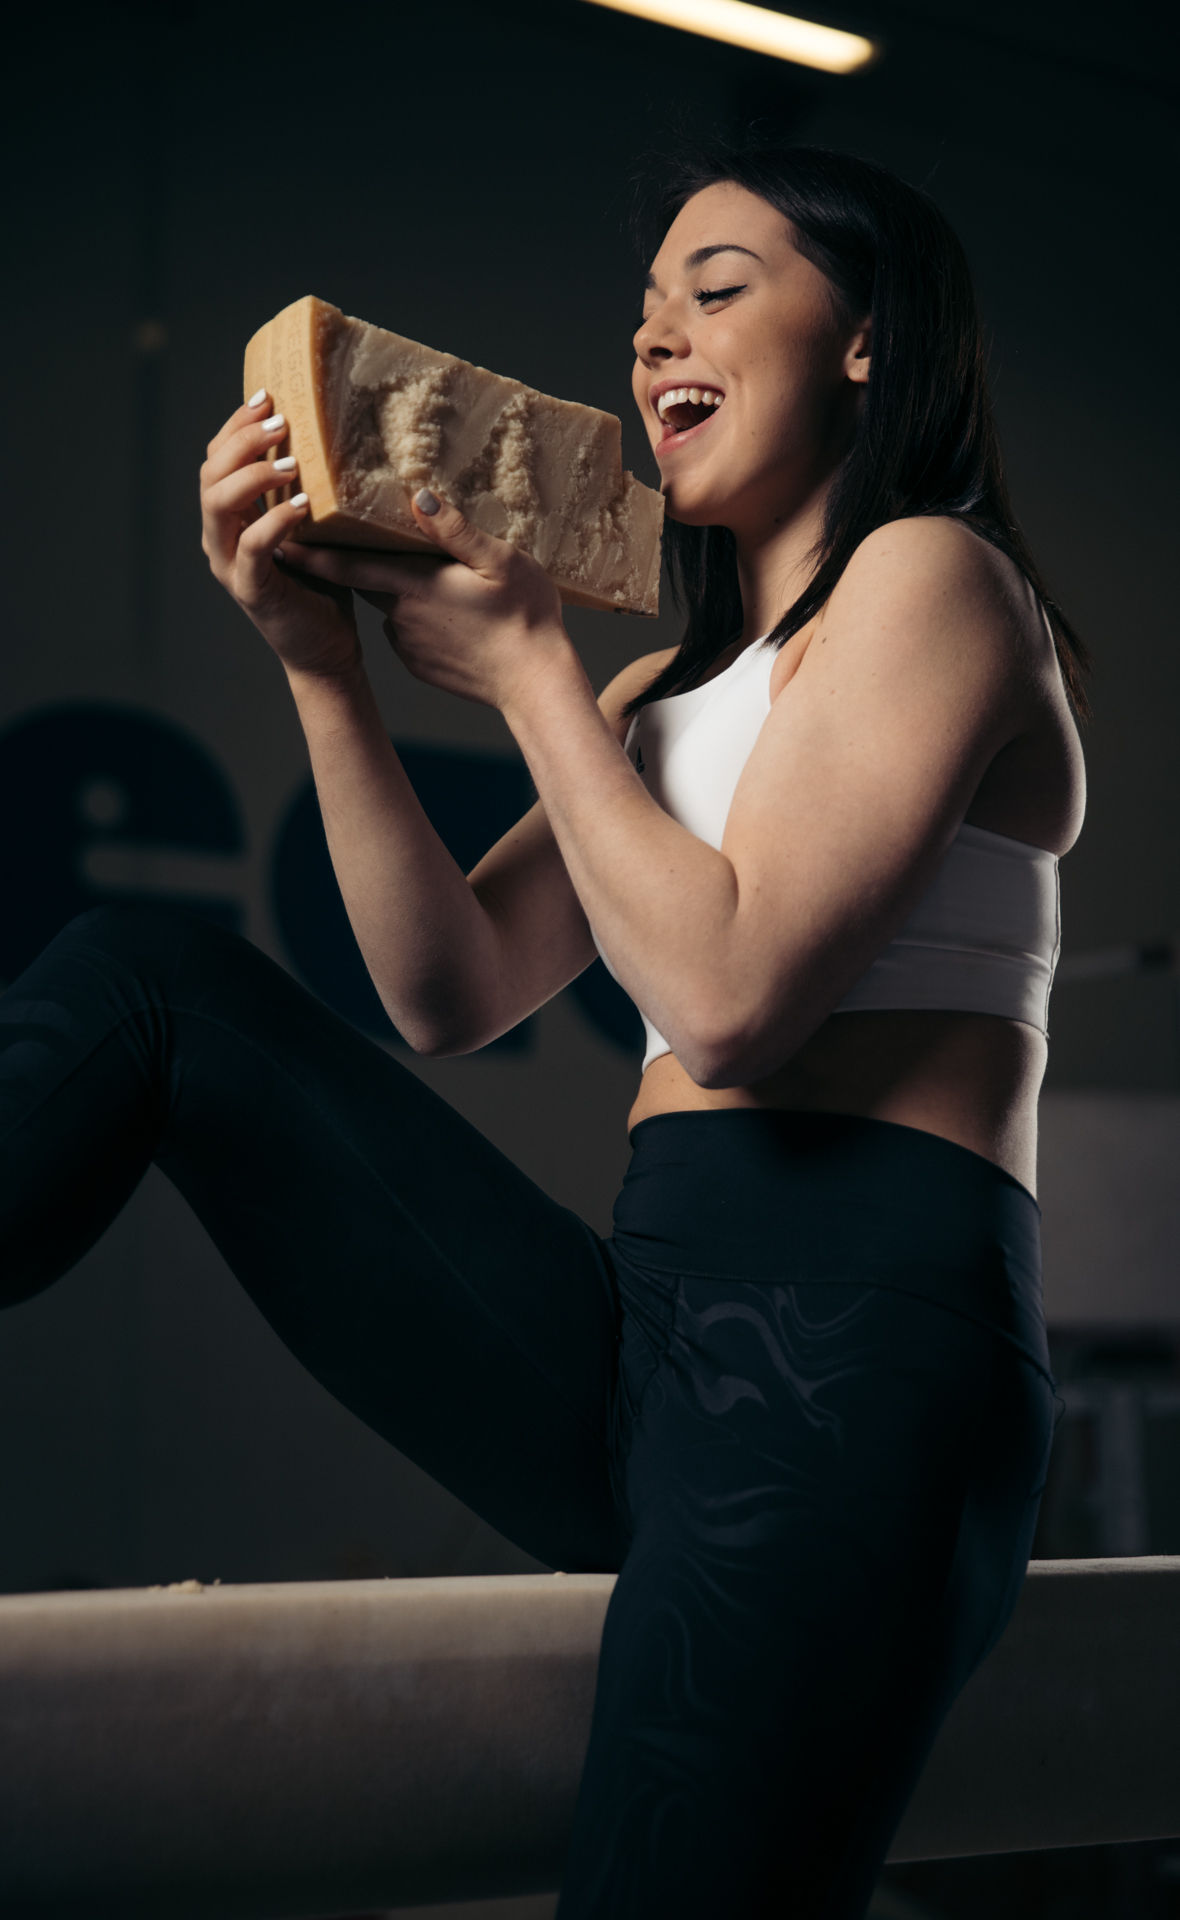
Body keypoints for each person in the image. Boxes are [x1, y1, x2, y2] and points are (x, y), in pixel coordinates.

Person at [0, 144, 1086, 1916]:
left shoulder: (934, 583)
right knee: (150, 989)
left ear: (872, 341)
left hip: (856, 1370)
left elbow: (730, 1005)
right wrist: (319, 664)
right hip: (640, 1339)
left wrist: (523, 680)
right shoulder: (661, 695)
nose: (660, 338)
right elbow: (447, 993)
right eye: (646, 312)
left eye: (718, 291)